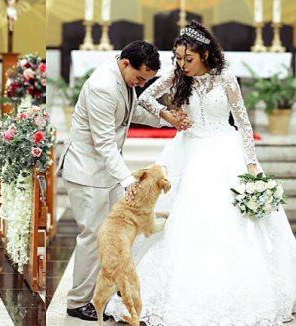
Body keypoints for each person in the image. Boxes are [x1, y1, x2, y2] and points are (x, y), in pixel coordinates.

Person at [105, 21, 296, 325]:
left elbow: (244, 123)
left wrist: (250, 166)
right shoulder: (178, 76)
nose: (182, 65)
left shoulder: (227, 79)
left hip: (224, 151)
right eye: (178, 58)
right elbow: (144, 97)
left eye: (188, 59)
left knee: (229, 223)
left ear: (205, 53)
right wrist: (167, 115)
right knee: (183, 219)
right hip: (190, 151)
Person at [57, 40, 190, 321]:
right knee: (93, 236)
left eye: (146, 80)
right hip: (86, 171)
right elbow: (104, 142)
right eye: (140, 78)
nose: (141, 85)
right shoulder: (102, 86)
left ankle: (114, 286)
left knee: (118, 235)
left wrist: (166, 117)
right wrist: (128, 180)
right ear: (126, 63)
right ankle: (78, 301)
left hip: (106, 170)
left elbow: (131, 112)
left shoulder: (123, 77)